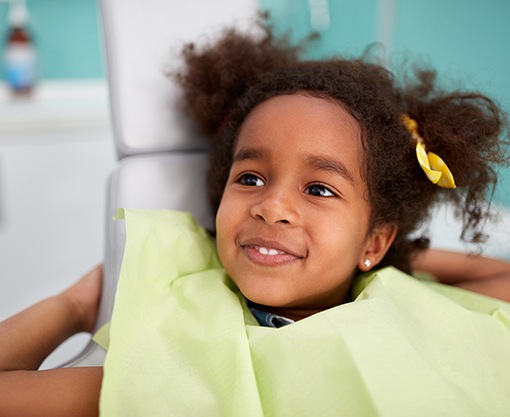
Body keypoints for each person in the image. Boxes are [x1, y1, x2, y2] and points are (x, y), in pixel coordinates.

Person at [1, 16, 510, 416]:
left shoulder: (401, 303)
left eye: (318, 188)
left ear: (375, 242)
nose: (271, 206)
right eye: (250, 178)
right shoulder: (185, 356)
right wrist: (75, 303)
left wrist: (386, 259)